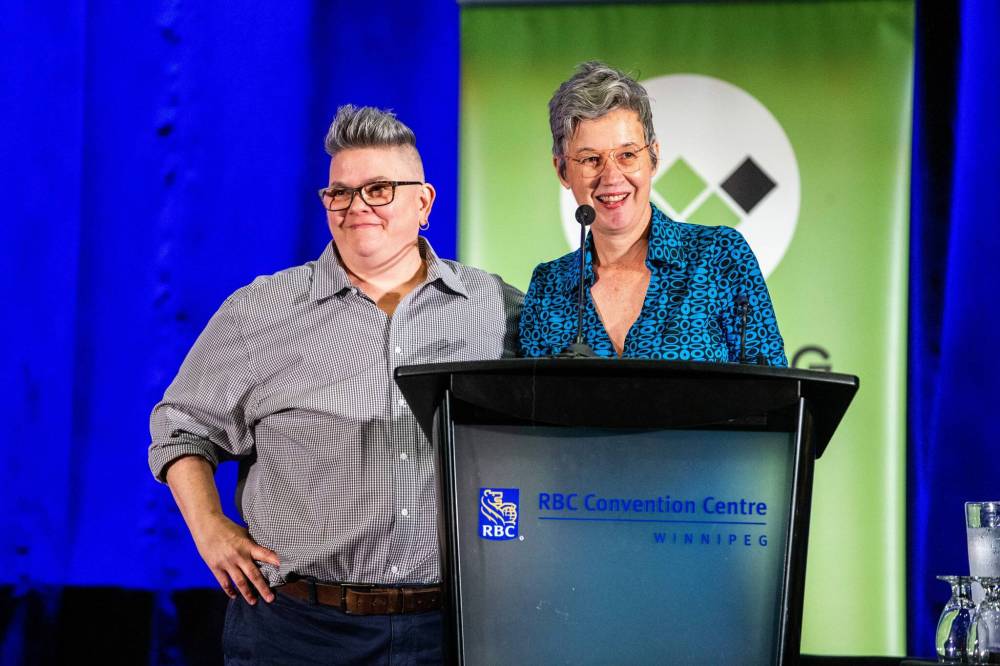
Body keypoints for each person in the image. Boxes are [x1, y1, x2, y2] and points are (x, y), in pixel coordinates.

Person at [148, 105, 522, 664]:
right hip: (295, 630)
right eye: (340, 194)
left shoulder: (497, 309)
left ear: (424, 203)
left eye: (378, 189)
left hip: (455, 629)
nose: (355, 207)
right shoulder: (261, 311)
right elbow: (180, 429)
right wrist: (208, 529)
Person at [519, 62, 787, 365]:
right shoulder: (548, 285)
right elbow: (533, 406)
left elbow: (777, 393)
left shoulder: (719, 256)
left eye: (627, 155)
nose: (612, 177)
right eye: (591, 159)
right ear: (563, 170)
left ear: (654, 157)